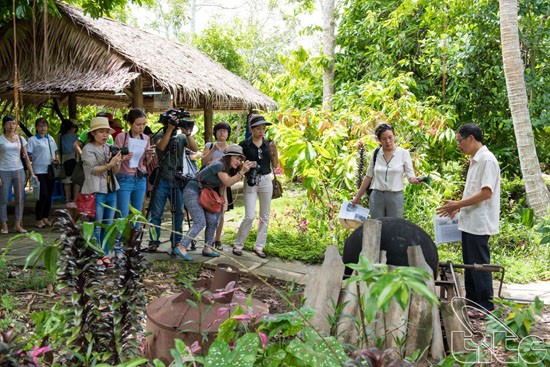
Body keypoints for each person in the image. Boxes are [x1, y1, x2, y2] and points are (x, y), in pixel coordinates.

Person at [436, 123, 500, 313]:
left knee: (480, 266)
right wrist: (457, 207)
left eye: (460, 141)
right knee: (470, 265)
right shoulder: (474, 160)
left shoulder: (487, 160)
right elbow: (474, 192)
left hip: (480, 222)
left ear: (471, 138)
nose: (458, 145)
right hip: (469, 221)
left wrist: (457, 204)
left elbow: (486, 193)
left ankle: (485, 306)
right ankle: (472, 302)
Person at [175, 145, 254, 261]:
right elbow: (227, 182)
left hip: (206, 193)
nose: (239, 162)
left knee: (213, 220)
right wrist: (242, 172)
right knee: (200, 221)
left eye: (240, 160)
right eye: (237, 158)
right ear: (229, 157)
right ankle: (181, 246)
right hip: (192, 191)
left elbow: (222, 186)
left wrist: (223, 201)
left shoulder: (227, 168)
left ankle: (207, 248)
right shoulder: (219, 165)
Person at [147, 113, 198, 252]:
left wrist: (187, 134)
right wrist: (169, 129)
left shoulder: (181, 137)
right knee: (156, 212)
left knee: (179, 213)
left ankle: (176, 241)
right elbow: (161, 147)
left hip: (177, 178)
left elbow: (195, 148)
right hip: (162, 178)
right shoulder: (159, 135)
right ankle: (153, 241)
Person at [233, 115, 279, 258]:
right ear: (251, 129)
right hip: (251, 180)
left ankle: (259, 247)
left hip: (266, 179)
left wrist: (274, 152)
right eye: (258, 128)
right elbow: (236, 162)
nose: (261, 131)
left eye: (263, 129)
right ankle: (238, 244)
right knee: (249, 216)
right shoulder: (244, 145)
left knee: (265, 216)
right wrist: (245, 165)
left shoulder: (268, 143)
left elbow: (275, 165)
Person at [351, 123, 420, 218]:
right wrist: (357, 197)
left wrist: (415, 180)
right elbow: (368, 176)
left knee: (393, 227)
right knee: (377, 226)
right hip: (377, 196)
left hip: (395, 197)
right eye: (384, 139)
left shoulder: (403, 153)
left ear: (394, 136)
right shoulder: (376, 153)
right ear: (379, 140)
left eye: (390, 137)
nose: (388, 141)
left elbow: (410, 176)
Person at [81, 116, 124, 267]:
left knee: (109, 223)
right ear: (93, 133)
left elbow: (115, 170)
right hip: (96, 190)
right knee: (97, 224)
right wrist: (109, 164)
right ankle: (97, 253)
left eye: (107, 132)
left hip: (111, 188)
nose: (105, 135)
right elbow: (93, 170)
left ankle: (105, 253)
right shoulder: (88, 149)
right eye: (101, 132)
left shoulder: (108, 148)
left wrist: (117, 161)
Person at [114, 109, 155, 223]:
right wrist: (123, 158)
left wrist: (149, 155)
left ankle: (134, 238)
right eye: (138, 125)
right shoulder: (121, 137)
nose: (141, 127)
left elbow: (146, 163)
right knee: (123, 213)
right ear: (130, 124)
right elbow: (114, 158)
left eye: (143, 124)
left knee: (137, 214)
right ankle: (120, 239)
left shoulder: (145, 138)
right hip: (124, 177)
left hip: (140, 178)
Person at [0, 115, 36, 234]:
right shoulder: (1, 139)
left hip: (19, 170)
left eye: (14, 123)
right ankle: (4, 224)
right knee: (4, 198)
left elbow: (26, 157)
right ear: (4, 125)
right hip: (3, 170)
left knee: (20, 199)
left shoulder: (20, 139)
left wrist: (31, 172)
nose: (11, 126)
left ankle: (17, 223)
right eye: (9, 123)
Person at [201, 121, 232, 250]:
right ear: (215, 133)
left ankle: (217, 239)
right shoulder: (210, 145)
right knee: (208, 212)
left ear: (228, 133)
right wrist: (214, 155)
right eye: (219, 130)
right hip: (209, 183)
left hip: (224, 183)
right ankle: (207, 241)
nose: (222, 133)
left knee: (221, 212)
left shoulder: (230, 148)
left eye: (225, 130)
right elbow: (203, 161)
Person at [27, 118, 59, 228]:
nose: (42, 128)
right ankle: (38, 219)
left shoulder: (50, 139)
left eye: (44, 126)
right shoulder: (32, 140)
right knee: (42, 195)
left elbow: (56, 152)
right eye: (40, 126)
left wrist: (56, 159)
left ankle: (45, 217)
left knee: (49, 195)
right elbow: (28, 155)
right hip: (38, 171)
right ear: (36, 127)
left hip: (50, 170)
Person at [59, 119, 79, 207]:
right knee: (76, 180)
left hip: (64, 158)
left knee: (66, 181)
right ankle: (75, 199)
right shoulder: (75, 136)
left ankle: (67, 199)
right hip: (74, 157)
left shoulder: (61, 137)